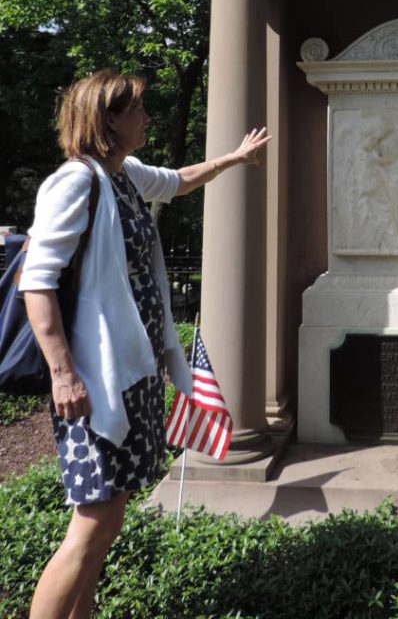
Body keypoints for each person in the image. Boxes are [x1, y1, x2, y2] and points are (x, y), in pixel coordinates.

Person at [18, 69, 270, 619]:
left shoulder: (124, 175)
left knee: (105, 525)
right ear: (109, 118)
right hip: (94, 383)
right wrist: (63, 374)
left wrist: (233, 159)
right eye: (137, 109)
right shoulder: (75, 181)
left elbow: (178, 179)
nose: (147, 117)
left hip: (132, 376)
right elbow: (35, 281)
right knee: (90, 525)